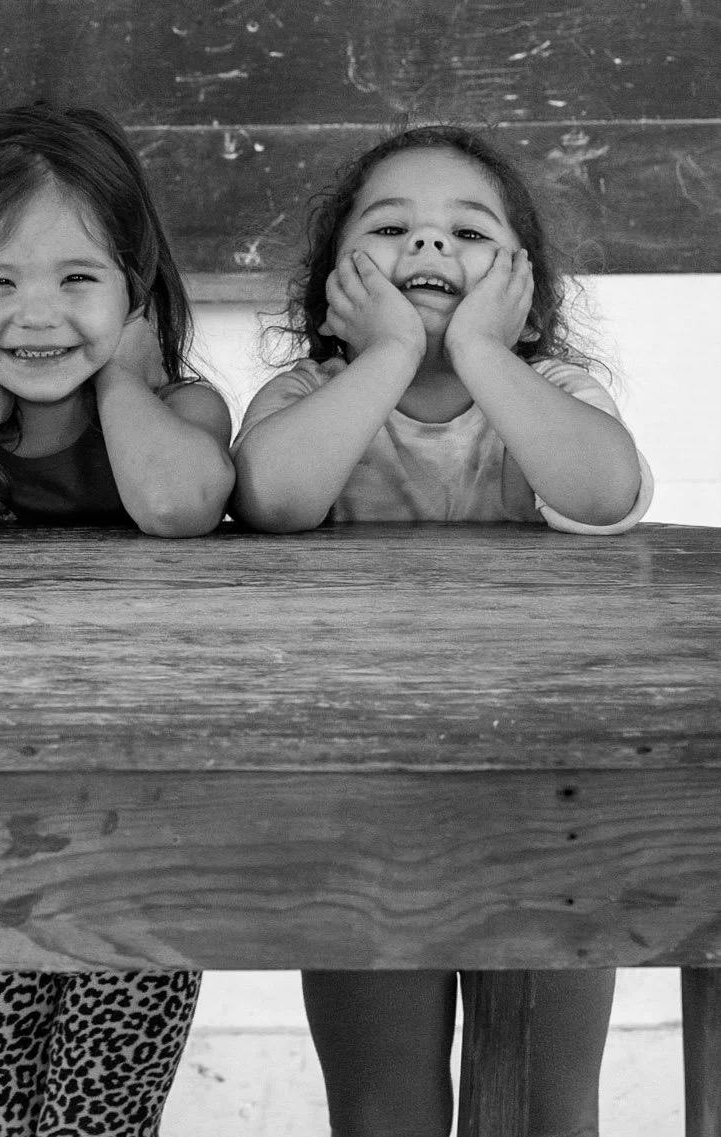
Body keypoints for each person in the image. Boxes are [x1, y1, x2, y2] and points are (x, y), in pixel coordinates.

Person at [232, 124, 650, 1137]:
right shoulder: (304, 401)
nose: (426, 248)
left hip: (547, 799)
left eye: (465, 231)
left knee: (546, 1114)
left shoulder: (547, 398)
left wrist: (476, 350)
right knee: (382, 1113)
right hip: (357, 799)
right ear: (334, 280)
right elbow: (273, 499)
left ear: (523, 283)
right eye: (389, 229)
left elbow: (603, 492)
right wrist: (385, 354)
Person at [0, 102, 233, 1136]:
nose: (38, 316)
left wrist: (119, 378)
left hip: (145, 831)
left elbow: (178, 503)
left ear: (137, 291)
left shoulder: (177, 417)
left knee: (92, 1122)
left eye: (78, 280)